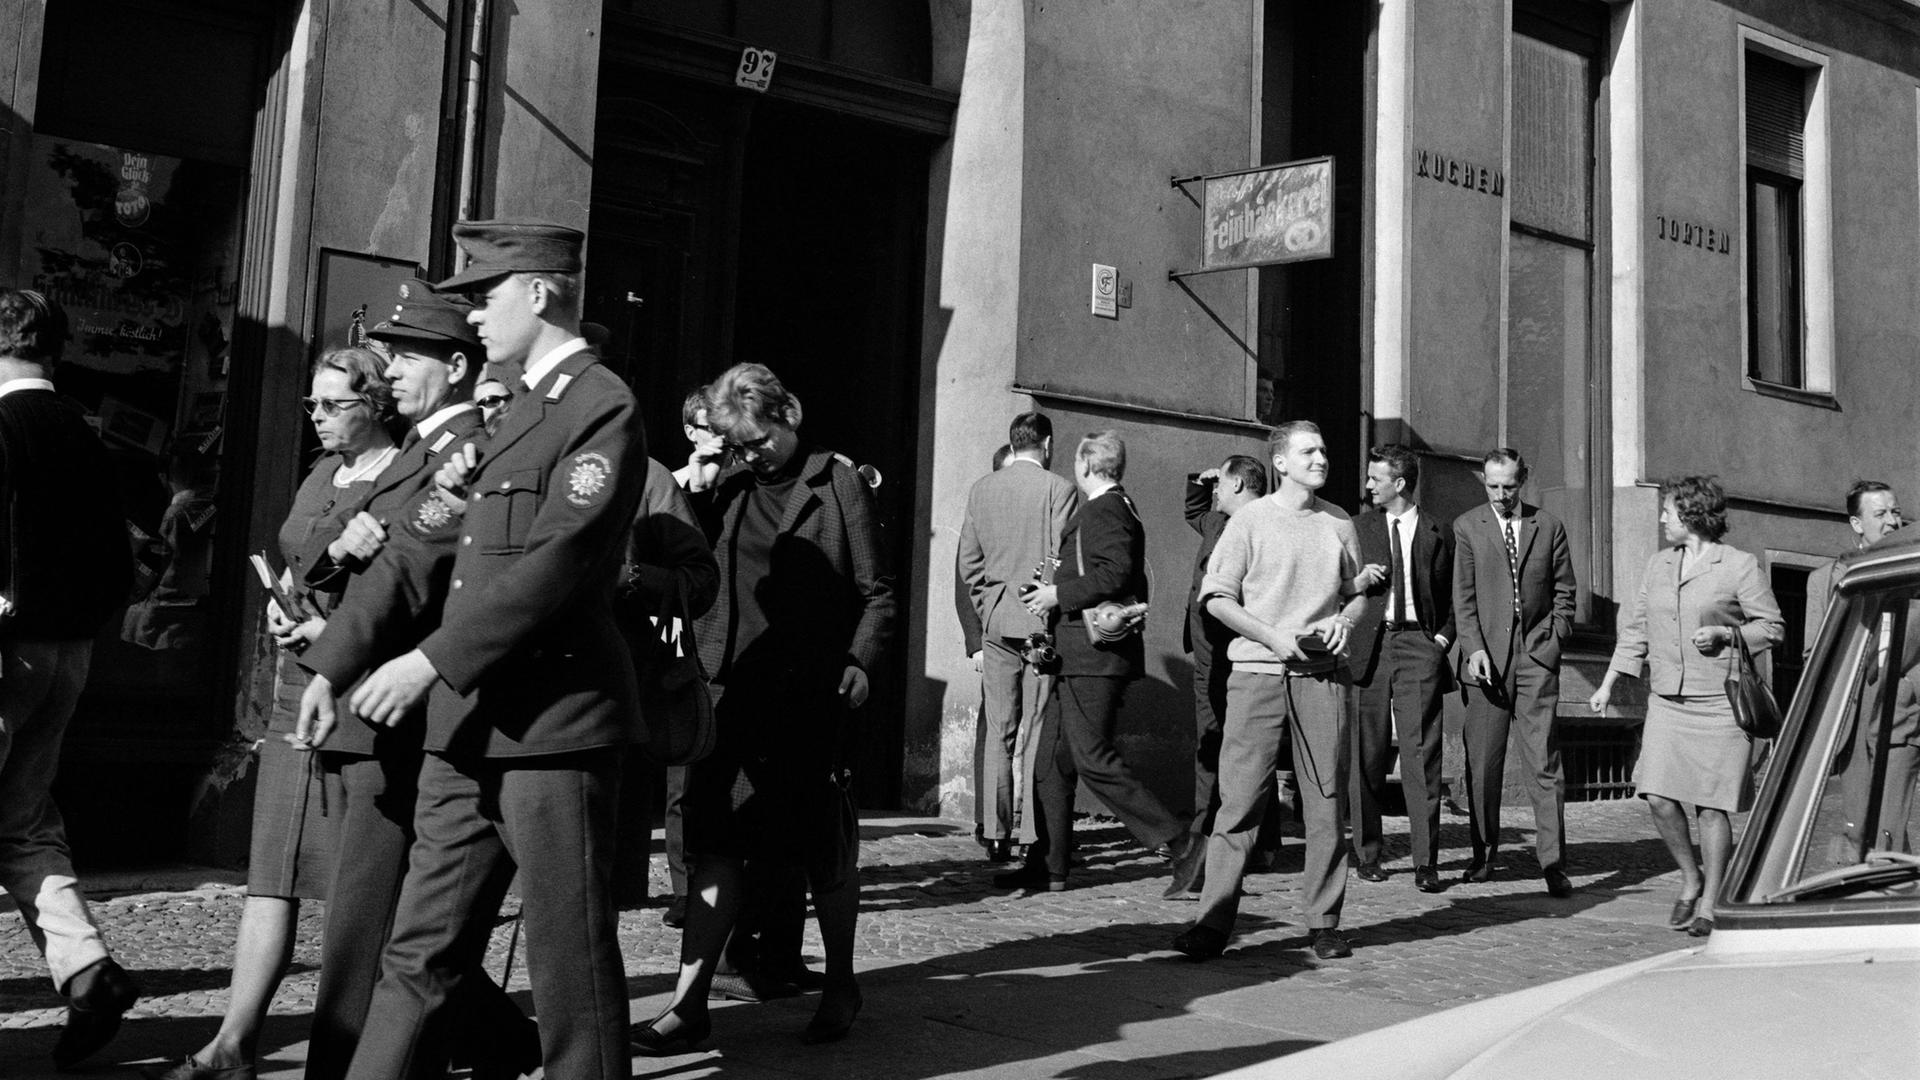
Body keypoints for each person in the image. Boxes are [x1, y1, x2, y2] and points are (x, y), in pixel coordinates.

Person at [301, 220, 648, 1080]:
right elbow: (421, 543)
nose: (474, 319)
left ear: (538, 293)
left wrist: (428, 662)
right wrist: (333, 664)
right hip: (466, 730)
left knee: (569, 966)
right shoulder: (512, 413)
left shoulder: (599, 406)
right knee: (417, 956)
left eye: (485, 298)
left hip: (551, 727)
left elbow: (556, 563)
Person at [283, 282, 538, 1080]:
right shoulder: (422, 448)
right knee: (394, 921)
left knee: (377, 923)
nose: (388, 370)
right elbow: (357, 557)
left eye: (407, 356)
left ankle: (362, 1064)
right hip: (372, 695)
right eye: (387, 355)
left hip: (413, 707)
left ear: (457, 367)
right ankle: (492, 1041)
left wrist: (341, 645)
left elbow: (435, 582)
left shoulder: (466, 448)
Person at [152, 346, 400, 1080]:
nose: (317, 419)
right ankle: (233, 1042)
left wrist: (334, 629)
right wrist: (282, 611)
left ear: (377, 403)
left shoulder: (404, 478)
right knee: (272, 871)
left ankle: (407, 1040)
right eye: (312, 407)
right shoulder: (325, 472)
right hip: (299, 680)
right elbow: (298, 559)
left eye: (334, 406)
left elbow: (406, 585)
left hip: (362, 688)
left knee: (359, 889)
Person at [632, 362, 894, 1051]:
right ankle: (688, 1004)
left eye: (759, 440)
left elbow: (877, 591)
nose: (752, 454)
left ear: (788, 417)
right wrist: (701, 474)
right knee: (714, 846)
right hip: (731, 690)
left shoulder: (836, 483)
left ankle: (841, 982)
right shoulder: (730, 483)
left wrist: (860, 663)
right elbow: (691, 566)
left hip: (812, 697)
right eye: (739, 443)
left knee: (820, 850)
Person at [0, 288, 137, 1070]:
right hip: (69, 653)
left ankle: (88, 973)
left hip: (6, 651)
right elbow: (121, 564)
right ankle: (86, 967)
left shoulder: (1, 425)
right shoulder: (88, 435)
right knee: (21, 823)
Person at [1171, 420, 1367, 961]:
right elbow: (1216, 598)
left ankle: (1324, 923)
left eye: (1324, 450)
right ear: (1280, 462)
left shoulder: (1339, 522)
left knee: (1326, 805)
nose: (1321, 459)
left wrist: (1345, 621)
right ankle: (1212, 924)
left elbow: (1355, 593)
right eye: (1309, 451)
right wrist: (1270, 636)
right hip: (1256, 675)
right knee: (1239, 802)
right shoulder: (1249, 521)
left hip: (1322, 678)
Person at [998, 431, 1206, 894]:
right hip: (1078, 656)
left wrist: (1057, 594)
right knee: (1052, 761)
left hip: (1092, 657)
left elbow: (1114, 572)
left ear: (1087, 465)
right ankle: (1048, 864)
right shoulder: (1113, 507)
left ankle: (1182, 846)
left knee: (1093, 759)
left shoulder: (1106, 508)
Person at [1589, 476, 1783, 937]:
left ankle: (1712, 900)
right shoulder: (1658, 565)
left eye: (1668, 511)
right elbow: (1635, 628)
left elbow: (1772, 628)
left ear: (1693, 515)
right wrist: (1608, 684)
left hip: (1719, 701)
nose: (1661, 518)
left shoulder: (1738, 566)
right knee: (1656, 795)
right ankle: (1690, 876)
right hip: (1668, 700)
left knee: (1712, 808)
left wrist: (1726, 634)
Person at [1453, 447, 1578, 897]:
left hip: (1535, 660)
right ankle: (1484, 857)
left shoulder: (1548, 527)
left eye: (1509, 486)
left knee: (1544, 764)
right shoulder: (1468, 526)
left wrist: (1551, 641)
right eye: (1492, 486)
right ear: (1483, 481)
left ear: (1522, 479)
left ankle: (1552, 863)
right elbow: (1463, 600)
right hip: (1486, 664)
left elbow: (1565, 594)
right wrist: (1473, 649)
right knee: (1483, 766)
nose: (1501, 495)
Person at [957, 413, 1079, 863]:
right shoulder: (1058, 487)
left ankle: (994, 831)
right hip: (1037, 623)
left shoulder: (982, 488)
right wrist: (1040, 601)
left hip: (995, 621)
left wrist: (988, 605)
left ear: (1013, 443)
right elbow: (1060, 556)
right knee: (1035, 731)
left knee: (999, 732)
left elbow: (969, 563)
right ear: (1046, 444)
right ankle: (1031, 833)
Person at [611, 455, 719, 910]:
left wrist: (631, 576)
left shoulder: (643, 474)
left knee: (599, 877)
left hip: (614, 696)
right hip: (506, 702)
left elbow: (700, 578)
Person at [1347, 444, 1454, 893]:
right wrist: (1356, 583)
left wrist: (1441, 642)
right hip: (1368, 646)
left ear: (1400, 484)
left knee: (1420, 755)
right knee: (1365, 756)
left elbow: (1453, 594)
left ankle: (1424, 861)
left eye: (1376, 478)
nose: (1368, 484)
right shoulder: (1355, 528)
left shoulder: (1437, 531)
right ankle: (1367, 854)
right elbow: (1333, 586)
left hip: (1418, 645)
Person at [1180, 454, 1278, 881]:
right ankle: (1239, 840)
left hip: (1234, 653)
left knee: (1237, 744)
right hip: (1208, 654)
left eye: (1222, 482)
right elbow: (1194, 510)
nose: (1215, 489)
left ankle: (1216, 842)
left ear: (1237, 485)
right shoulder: (1219, 521)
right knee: (1224, 741)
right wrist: (1201, 479)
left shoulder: (1263, 524)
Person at [1803, 480, 1902, 656]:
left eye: (1896, 512)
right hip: (1855, 680)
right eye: (1880, 514)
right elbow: (1814, 655)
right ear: (1857, 524)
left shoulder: (1912, 570)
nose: (1892, 521)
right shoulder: (1828, 579)